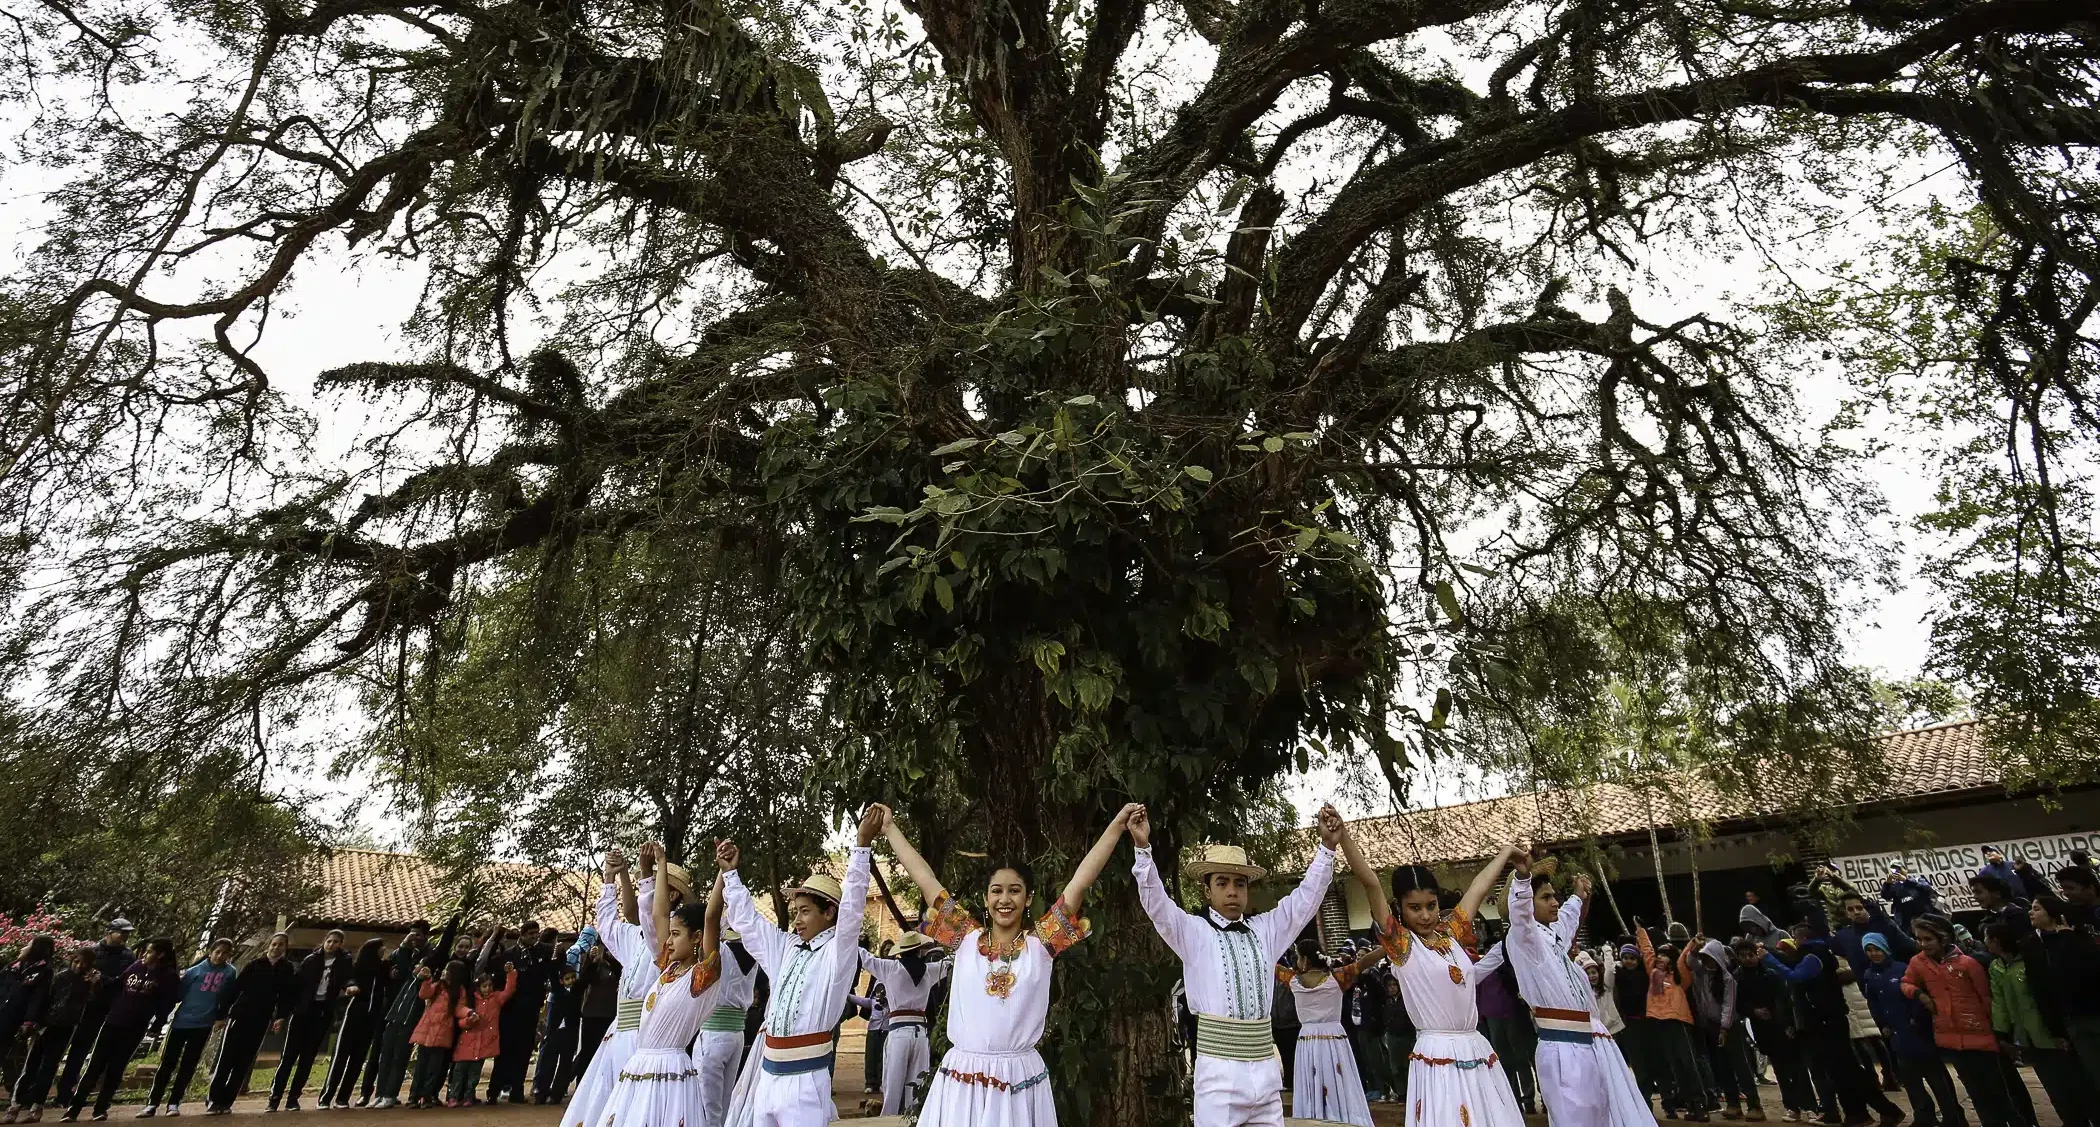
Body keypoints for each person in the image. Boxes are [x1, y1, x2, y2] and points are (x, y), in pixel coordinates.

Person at [880, 801, 1127, 1127]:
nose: (1005, 899)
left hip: (1019, 1077)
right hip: (963, 1078)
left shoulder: (1042, 945)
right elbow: (926, 881)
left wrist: (1118, 825)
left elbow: (1080, 882)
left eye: (1015, 891)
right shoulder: (964, 939)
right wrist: (889, 828)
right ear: (985, 899)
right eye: (996, 891)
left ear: (1028, 898)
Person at [1133, 803, 1340, 1127]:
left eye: (1239, 883)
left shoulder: (1266, 930)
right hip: (1218, 1074)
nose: (1232, 891)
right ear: (1206, 889)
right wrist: (1143, 849)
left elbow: (1304, 901)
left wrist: (1327, 848)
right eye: (1222, 883)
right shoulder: (1193, 932)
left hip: (1266, 1071)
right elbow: (1156, 903)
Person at [1342, 828, 1527, 1127]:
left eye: (1431, 906)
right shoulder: (1401, 945)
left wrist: (1506, 852)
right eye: (1415, 908)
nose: (1425, 915)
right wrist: (1343, 839)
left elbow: (1478, 888)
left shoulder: (1452, 933)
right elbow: (1370, 883)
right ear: (1399, 910)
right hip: (1436, 1054)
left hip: (1475, 1047)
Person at [718, 806, 882, 1127]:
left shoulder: (838, 952)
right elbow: (747, 921)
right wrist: (730, 875)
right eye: (797, 910)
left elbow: (853, 908)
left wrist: (861, 845)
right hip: (767, 1075)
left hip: (807, 1079)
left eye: (806, 911)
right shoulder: (785, 947)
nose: (797, 919)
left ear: (829, 913)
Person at [590, 871, 726, 1127]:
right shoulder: (666, 968)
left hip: (670, 1070)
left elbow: (711, 916)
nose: (669, 940)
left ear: (697, 937)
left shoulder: (701, 977)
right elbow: (658, 915)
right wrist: (660, 865)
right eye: (670, 934)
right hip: (639, 1065)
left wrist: (723, 872)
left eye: (676, 935)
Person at [568, 844, 669, 1127]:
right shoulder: (631, 936)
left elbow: (649, 916)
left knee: (632, 1107)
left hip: (644, 1034)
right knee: (605, 1101)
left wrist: (646, 872)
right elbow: (609, 923)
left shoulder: (667, 942)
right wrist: (611, 879)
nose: (638, 902)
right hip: (618, 1032)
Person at [1902, 915, 2015, 1127]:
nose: (1923, 944)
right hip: (1951, 1038)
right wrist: (1920, 995)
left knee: (1999, 1092)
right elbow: (1906, 983)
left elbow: (1986, 999)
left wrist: (1999, 1033)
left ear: (1943, 939)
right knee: (1976, 1094)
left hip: (1981, 1036)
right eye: (1919, 939)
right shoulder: (1918, 962)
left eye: (1928, 939)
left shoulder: (1967, 964)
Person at [62, 937, 180, 1123]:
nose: (144, 955)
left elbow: (166, 1003)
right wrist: (100, 978)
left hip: (135, 1027)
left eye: (149, 952)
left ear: (160, 954)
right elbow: (117, 983)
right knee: (95, 1065)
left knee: (116, 1068)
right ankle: (73, 1108)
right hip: (113, 1022)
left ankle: (101, 1108)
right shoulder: (135, 967)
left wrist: (158, 1023)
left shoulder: (168, 976)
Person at [1988, 922, 2092, 1127]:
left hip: (2051, 1033)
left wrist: (2059, 1030)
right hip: (2027, 1037)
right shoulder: (1996, 967)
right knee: (2054, 1089)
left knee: (2078, 1084)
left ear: (1996, 941)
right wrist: (2002, 1034)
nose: (1985, 943)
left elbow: (2048, 997)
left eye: (1987, 938)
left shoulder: (2031, 962)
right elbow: (1999, 1004)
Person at [1858, 933, 1964, 1127]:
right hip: (1897, 1035)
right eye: (1869, 950)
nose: (1874, 954)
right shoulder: (1870, 975)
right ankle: (1924, 1116)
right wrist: (1882, 1024)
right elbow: (1873, 1002)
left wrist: (1917, 1019)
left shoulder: (1903, 969)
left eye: (1877, 949)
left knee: (1937, 1079)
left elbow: (1920, 996)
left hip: (1919, 1032)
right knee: (1911, 1080)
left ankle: (1953, 1117)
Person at [1277, 944, 1386, 1126]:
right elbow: (1366, 961)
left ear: (1304, 960)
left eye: (1298, 957)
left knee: (1311, 1083)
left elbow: (1270, 965)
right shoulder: (1338, 977)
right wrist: (1390, 942)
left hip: (1307, 1040)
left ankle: (1313, 1118)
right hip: (1334, 1038)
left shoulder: (1292, 979)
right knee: (1340, 1083)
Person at [138, 938, 239, 1117]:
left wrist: (220, 1017)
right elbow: (178, 995)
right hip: (182, 1023)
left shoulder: (230, 973)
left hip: (204, 1025)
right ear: (210, 951)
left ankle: (174, 1103)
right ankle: (152, 1103)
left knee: (188, 1065)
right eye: (217, 952)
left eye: (225, 953)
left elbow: (228, 996)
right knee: (168, 1063)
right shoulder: (195, 971)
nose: (220, 956)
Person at [856, 932, 948, 1116]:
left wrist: (850, 936)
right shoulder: (930, 970)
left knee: (892, 1088)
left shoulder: (889, 967)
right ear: (919, 950)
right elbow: (949, 963)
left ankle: (888, 1121)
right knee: (915, 1090)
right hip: (920, 1034)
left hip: (899, 1033)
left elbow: (863, 957)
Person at [203, 932, 295, 1115]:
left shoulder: (287, 968)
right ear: (269, 945)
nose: (276, 947)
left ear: (285, 948)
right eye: (274, 944)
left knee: (243, 1062)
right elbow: (235, 989)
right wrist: (221, 1016)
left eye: (280, 945)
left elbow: (285, 996)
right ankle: (213, 1100)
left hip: (261, 1020)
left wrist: (280, 1017)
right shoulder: (255, 965)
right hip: (240, 1016)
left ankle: (227, 1101)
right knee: (226, 1059)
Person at [8, 945, 95, 1123]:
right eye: (76, 962)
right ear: (72, 960)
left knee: (48, 1068)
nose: (78, 966)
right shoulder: (60, 976)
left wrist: (95, 983)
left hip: (65, 1028)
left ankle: (36, 1108)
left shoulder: (88, 983)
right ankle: (15, 1106)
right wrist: (36, 1022)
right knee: (30, 1066)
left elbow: (92, 1002)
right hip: (46, 1026)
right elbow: (45, 999)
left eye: (83, 964)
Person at [370, 918, 452, 1109]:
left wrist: (452, 923)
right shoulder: (406, 970)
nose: (417, 967)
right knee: (385, 1055)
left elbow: (441, 951)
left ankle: (390, 1094)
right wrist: (405, 945)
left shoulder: (427, 975)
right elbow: (398, 961)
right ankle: (380, 1093)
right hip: (394, 1014)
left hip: (412, 1017)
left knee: (399, 1056)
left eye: (418, 935)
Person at [53, 924, 134, 1115]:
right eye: (121, 933)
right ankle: (55, 1093)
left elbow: (123, 981)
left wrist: (103, 979)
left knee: (90, 1053)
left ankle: (77, 1094)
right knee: (68, 1050)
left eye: (127, 934)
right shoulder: (93, 951)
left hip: (106, 1009)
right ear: (109, 933)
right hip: (81, 1007)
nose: (124, 937)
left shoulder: (128, 956)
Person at [2027, 894, 2100, 1102]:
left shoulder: (2078, 938)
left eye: (2037, 908)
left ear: (2053, 914)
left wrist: (2068, 939)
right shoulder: (2035, 945)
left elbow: (2086, 973)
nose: (2031, 912)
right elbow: (2042, 989)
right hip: (2072, 1022)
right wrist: (2055, 1028)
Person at [269, 929, 352, 1111]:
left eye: (335, 942)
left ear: (340, 945)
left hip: (322, 1013)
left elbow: (348, 980)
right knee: (288, 1057)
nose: (331, 944)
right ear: (324, 941)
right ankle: (274, 1098)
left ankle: (293, 1098)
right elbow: (296, 987)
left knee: (307, 1059)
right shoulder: (311, 961)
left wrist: (350, 987)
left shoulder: (344, 963)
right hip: (302, 1012)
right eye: (329, 941)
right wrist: (284, 1014)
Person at [1635, 924, 1711, 1122]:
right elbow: (1646, 951)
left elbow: (1685, 955)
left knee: (1688, 1063)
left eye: (1665, 955)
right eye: (1659, 954)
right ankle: (1689, 1104)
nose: (1659, 957)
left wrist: (1694, 943)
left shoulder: (1679, 977)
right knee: (1675, 1066)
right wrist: (1641, 932)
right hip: (1658, 1023)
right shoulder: (1653, 973)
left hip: (1678, 1022)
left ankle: (1699, 1104)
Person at [316, 938, 388, 1108]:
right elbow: (348, 981)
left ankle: (343, 1098)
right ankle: (325, 1098)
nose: (384, 950)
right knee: (340, 1057)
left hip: (371, 1019)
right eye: (380, 947)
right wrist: (351, 987)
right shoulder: (357, 967)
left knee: (358, 1059)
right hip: (353, 1016)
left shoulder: (384, 968)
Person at [1475, 938, 1539, 1114]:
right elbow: (1478, 994)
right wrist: (1481, 1017)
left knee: (1521, 1059)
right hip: (1492, 1019)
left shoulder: (1508, 967)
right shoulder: (1479, 969)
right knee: (1504, 1063)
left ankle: (1529, 1100)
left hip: (1512, 1016)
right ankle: (1514, 1101)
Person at [447, 960, 517, 1107]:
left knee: (474, 1075)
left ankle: (468, 1098)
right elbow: (460, 1015)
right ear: (478, 987)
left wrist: (511, 973)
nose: (488, 989)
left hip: (484, 1043)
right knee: (459, 1073)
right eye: (485, 986)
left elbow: (509, 990)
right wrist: (470, 1018)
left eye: (490, 986)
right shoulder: (471, 1000)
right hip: (467, 1041)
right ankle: (453, 1097)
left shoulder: (496, 999)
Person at [408, 961, 468, 1109]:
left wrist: (469, 1013)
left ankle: (426, 1096)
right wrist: (427, 980)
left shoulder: (459, 991)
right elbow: (423, 994)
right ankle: (413, 1096)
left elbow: (460, 1008)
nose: (445, 972)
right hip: (427, 1030)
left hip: (443, 1031)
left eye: (448, 970)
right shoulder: (438, 985)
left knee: (434, 1068)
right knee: (421, 1066)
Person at [1881, 865, 1940, 932]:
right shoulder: (1895, 886)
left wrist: (1906, 881)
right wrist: (1887, 884)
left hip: (1923, 917)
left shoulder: (1918, 879)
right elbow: (1885, 896)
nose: (1898, 872)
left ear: (1906, 870)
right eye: (1895, 871)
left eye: (1899, 869)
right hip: (1905, 923)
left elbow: (1927, 888)